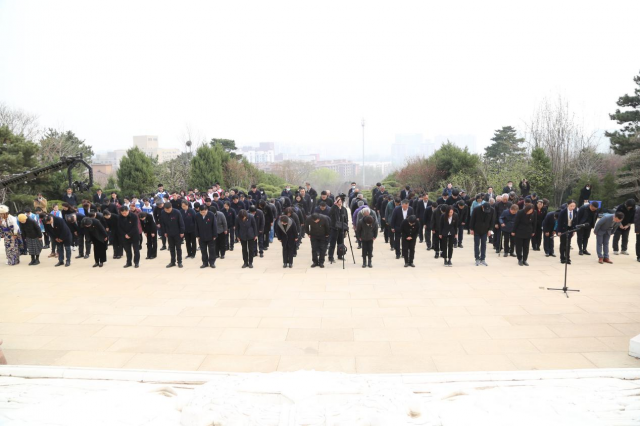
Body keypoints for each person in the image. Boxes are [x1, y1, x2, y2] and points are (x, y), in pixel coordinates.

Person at [160, 202, 185, 268]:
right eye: (166, 210)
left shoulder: (177, 212)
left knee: (178, 248)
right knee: (171, 248)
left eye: (169, 209)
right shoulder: (163, 213)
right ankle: (172, 262)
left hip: (177, 233)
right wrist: (164, 232)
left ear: (171, 207)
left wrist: (182, 232)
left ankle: (179, 262)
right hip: (169, 233)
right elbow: (162, 224)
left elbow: (181, 222)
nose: (167, 211)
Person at [470, 202, 494, 266]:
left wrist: (490, 230)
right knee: (477, 244)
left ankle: (483, 259)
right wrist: (471, 229)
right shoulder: (476, 209)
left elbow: (492, 220)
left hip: (485, 230)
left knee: (484, 244)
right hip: (476, 229)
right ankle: (477, 258)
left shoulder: (492, 210)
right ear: (482, 207)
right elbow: (472, 219)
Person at [195, 204, 218, 268]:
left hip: (210, 236)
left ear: (207, 210)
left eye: (204, 212)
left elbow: (214, 226)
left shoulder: (211, 215)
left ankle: (212, 262)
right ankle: (205, 262)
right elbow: (196, 226)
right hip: (201, 236)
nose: (203, 213)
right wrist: (197, 235)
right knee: (203, 250)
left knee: (212, 250)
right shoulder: (197, 216)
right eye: (201, 212)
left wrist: (214, 235)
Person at [328, 196, 349, 263]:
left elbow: (346, 219)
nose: (340, 201)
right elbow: (329, 213)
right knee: (332, 243)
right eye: (338, 200)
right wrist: (335, 205)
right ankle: (330, 257)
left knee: (341, 243)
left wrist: (346, 229)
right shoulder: (334, 208)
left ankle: (340, 255)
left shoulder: (344, 209)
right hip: (334, 228)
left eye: (341, 200)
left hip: (341, 229)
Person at [557, 200, 577, 265]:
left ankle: (567, 258)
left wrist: (574, 230)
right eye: (571, 206)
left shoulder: (575, 211)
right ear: (568, 205)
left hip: (570, 229)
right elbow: (559, 222)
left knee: (568, 244)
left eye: (574, 206)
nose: (572, 207)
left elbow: (575, 221)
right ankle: (562, 258)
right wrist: (559, 231)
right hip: (563, 229)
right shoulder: (563, 212)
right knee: (563, 243)